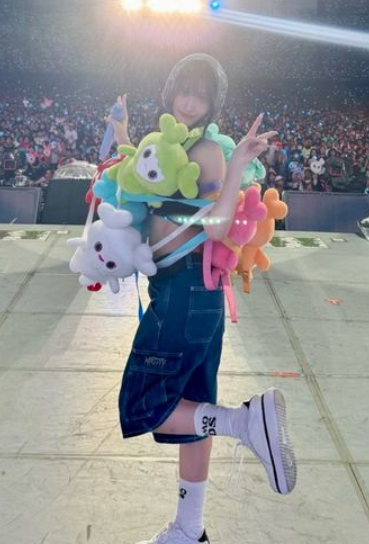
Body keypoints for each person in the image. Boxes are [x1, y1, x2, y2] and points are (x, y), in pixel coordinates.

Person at [109, 54, 297, 544]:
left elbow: (216, 225)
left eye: (201, 95)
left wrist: (235, 167)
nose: (189, 102)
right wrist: (122, 131)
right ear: (170, 92)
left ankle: (245, 422)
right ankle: (189, 530)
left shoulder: (208, 151)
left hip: (187, 290)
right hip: (193, 293)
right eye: (184, 91)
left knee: (144, 402)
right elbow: (143, 177)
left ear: (213, 104)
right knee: (194, 414)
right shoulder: (172, 146)